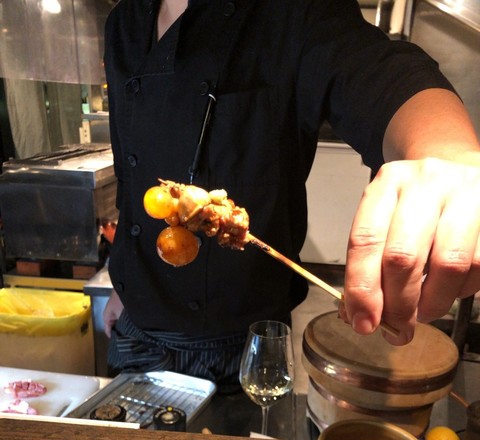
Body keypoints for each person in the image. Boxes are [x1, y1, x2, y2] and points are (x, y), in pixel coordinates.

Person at [103, 0, 480, 391]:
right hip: (134, 332)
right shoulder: (123, 22)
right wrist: (123, 284)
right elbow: (132, 174)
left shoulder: (293, 12)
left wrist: (449, 155)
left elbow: (376, 71)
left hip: (240, 350)